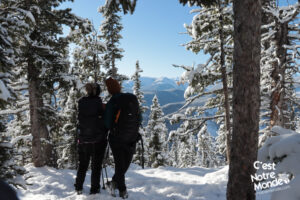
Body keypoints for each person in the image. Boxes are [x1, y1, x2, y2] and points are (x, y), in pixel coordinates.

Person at [104, 77, 141, 199]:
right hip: (132, 137)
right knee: (124, 164)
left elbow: (108, 123)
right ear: (119, 87)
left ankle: (122, 190)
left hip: (117, 138)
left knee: (120, 165)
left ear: (109, 90)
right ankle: (115, 183)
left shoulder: (112, 102)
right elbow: (139, 118)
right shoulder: (131, 98)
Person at [74, 83, 108, 195]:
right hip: (98, 140)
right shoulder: (101, 104)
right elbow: (105, 122)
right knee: (96, 166)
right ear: (98, 91)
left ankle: (78, 187)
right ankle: (94, 189)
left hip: (83, 139)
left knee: (82, 165)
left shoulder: (81, 102)